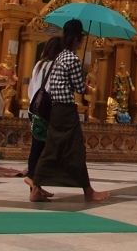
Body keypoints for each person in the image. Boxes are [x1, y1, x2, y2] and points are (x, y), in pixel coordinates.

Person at [29, 19, 110, 203]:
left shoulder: (59, 56)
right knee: (76, 150)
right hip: (66, 111)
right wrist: (88, 85)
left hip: (55, 110)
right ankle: (88, 192)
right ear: (75, 39)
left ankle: (35, 188)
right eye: (81, 38)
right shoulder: (72, 58)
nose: (82, 42)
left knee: (52, 149)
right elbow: (80, 88)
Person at [20, 37, 61, 186]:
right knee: (42, 149)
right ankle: (32, 178)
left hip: (34, 108)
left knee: (38, 146)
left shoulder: (39, 64)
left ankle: (36, 185)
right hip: (47, 110)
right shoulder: (56, 66)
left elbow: (31, 90)